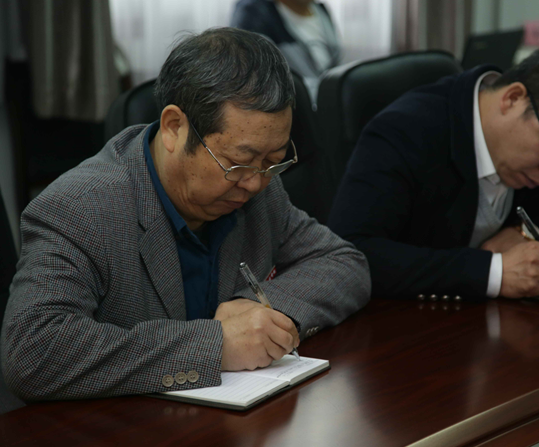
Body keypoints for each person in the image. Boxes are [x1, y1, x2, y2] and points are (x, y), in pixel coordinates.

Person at [1, 28, 370, 401]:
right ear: (174, 128)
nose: (255, 183)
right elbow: (33, 351)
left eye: (273, 161)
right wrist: (216, 345)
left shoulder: (256, 185)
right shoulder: (79, 208)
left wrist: (257, 312)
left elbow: (343, 262)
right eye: (238, 162)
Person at [328, 37, 539, 301]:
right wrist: (493, 272)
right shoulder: (405, 130)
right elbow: (352, 253)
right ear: (513, 98)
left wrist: (525, 233)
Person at [231, 0, 341, 102]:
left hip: (325, 103)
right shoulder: (254, 13)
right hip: (291, 106)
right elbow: (255, 81)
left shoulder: (321, 11)